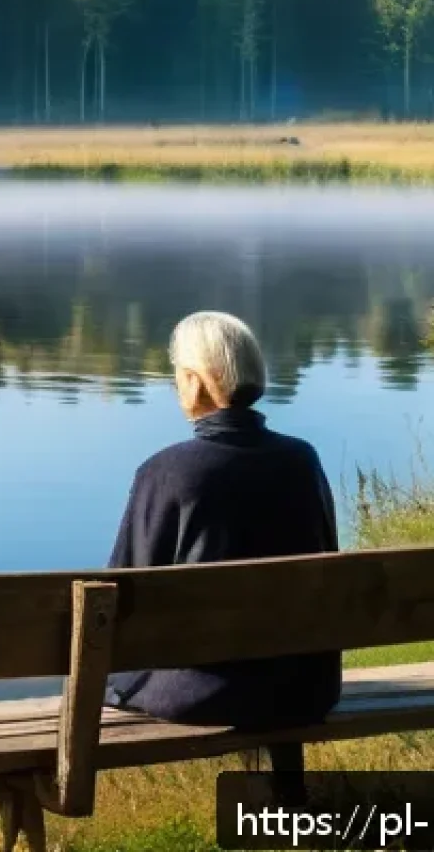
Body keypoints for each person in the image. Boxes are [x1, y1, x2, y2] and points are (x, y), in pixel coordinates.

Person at [105, 310, 341, 731]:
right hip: (305, 687)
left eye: (177, 372)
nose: (175, 382)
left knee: (109, 678)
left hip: (201, 690)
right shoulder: (303, 460)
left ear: (196, 381)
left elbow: (122, 593)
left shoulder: (167, 471)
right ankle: (287, 784)